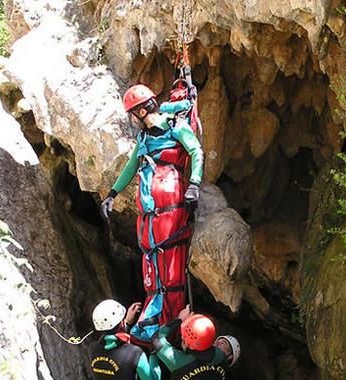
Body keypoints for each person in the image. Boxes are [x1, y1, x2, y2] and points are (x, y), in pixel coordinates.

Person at [100, 84, 204, 342]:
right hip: (150, 213)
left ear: (142, 110)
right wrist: (112, 194)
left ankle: (167, 318)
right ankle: (154, 316)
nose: (133, 120)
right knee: (152, 260)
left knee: (169, 261)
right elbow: (131, 165)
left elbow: (195, 151)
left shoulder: (174, 127)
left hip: (170, 208)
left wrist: (194, 185)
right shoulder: (144, 139)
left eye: (133, 113)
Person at [152, 306, 240, 380]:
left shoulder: (180, 362)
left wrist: (180, 319)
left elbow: (156, 339)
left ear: (229, 356)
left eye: (224, 343)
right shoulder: (220, 359)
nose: (218, 343)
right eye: (217, 341)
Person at [87, 299, 160, 380]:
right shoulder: (134, 353)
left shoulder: (92, 349)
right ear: (121, 323)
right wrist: (153, 353)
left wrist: (127, 323)